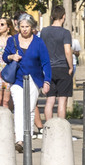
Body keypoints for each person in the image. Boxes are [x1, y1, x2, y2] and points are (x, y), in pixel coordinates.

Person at [3, 13, 52, 145]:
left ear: (32, 27)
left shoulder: (38, 42)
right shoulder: (12, 40)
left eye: (27, 26)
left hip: (34, 79)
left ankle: (27, 139)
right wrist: (11, 57)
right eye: (22, 26)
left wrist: (47, 81)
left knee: (30, 109)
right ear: (18, 27)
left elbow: (46, 63)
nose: (24, 29)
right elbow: (4, 56)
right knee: (19, 108)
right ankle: (20, 139)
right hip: (17, 79)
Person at [39, 8, 75, 128]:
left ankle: (48, 128)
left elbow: (41, 49)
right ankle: (61, 129)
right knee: (62, 100)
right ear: (63, 16)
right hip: (62, 68)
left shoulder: (44, 31)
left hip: (48, 69)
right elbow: (67, 51)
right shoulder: (65, 33)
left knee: (50, 100)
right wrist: (70, 67)